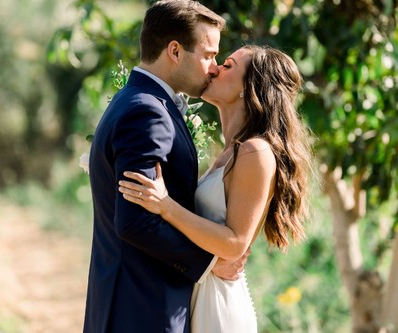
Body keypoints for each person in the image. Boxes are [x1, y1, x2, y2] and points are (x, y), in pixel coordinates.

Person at [118, 45, 314, 332]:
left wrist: (166, 206)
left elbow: (235, 243)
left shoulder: (255, 152)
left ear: (250, 87)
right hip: (201, 287)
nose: (215, 68)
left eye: (229, 65)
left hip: (219, 303)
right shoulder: (230, 151)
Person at [83, 0, 248, 333]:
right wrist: (209, 263)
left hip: (130, 300)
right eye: (208, 55)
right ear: (175, 51)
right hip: (143, 307)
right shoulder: (148, 111)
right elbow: (135, 221)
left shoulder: (135, 99)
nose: (213, 67)